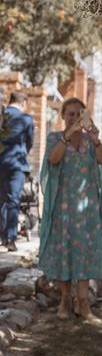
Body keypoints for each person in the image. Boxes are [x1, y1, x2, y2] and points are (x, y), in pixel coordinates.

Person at [38, 98, 102, 324]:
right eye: (70, 114)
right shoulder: (54, 139)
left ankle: (84, 304)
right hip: (64, 209)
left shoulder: (90, 141)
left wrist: (96, 140)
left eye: (79, 114)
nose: (75, 118)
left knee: (85, 254)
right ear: (63, 116)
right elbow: (53, 159)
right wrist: (68, 134)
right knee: (65, 254)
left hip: (87, 210)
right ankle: (65, 302)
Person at [0, 90, 34, 251]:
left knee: (1, 200)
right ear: (23, 103)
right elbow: (29, 143)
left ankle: (2, 235)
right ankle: (10, 239)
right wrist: (20, 154)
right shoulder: (26, 119)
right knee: (13, 201)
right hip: (17, 165)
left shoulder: (2, 116)